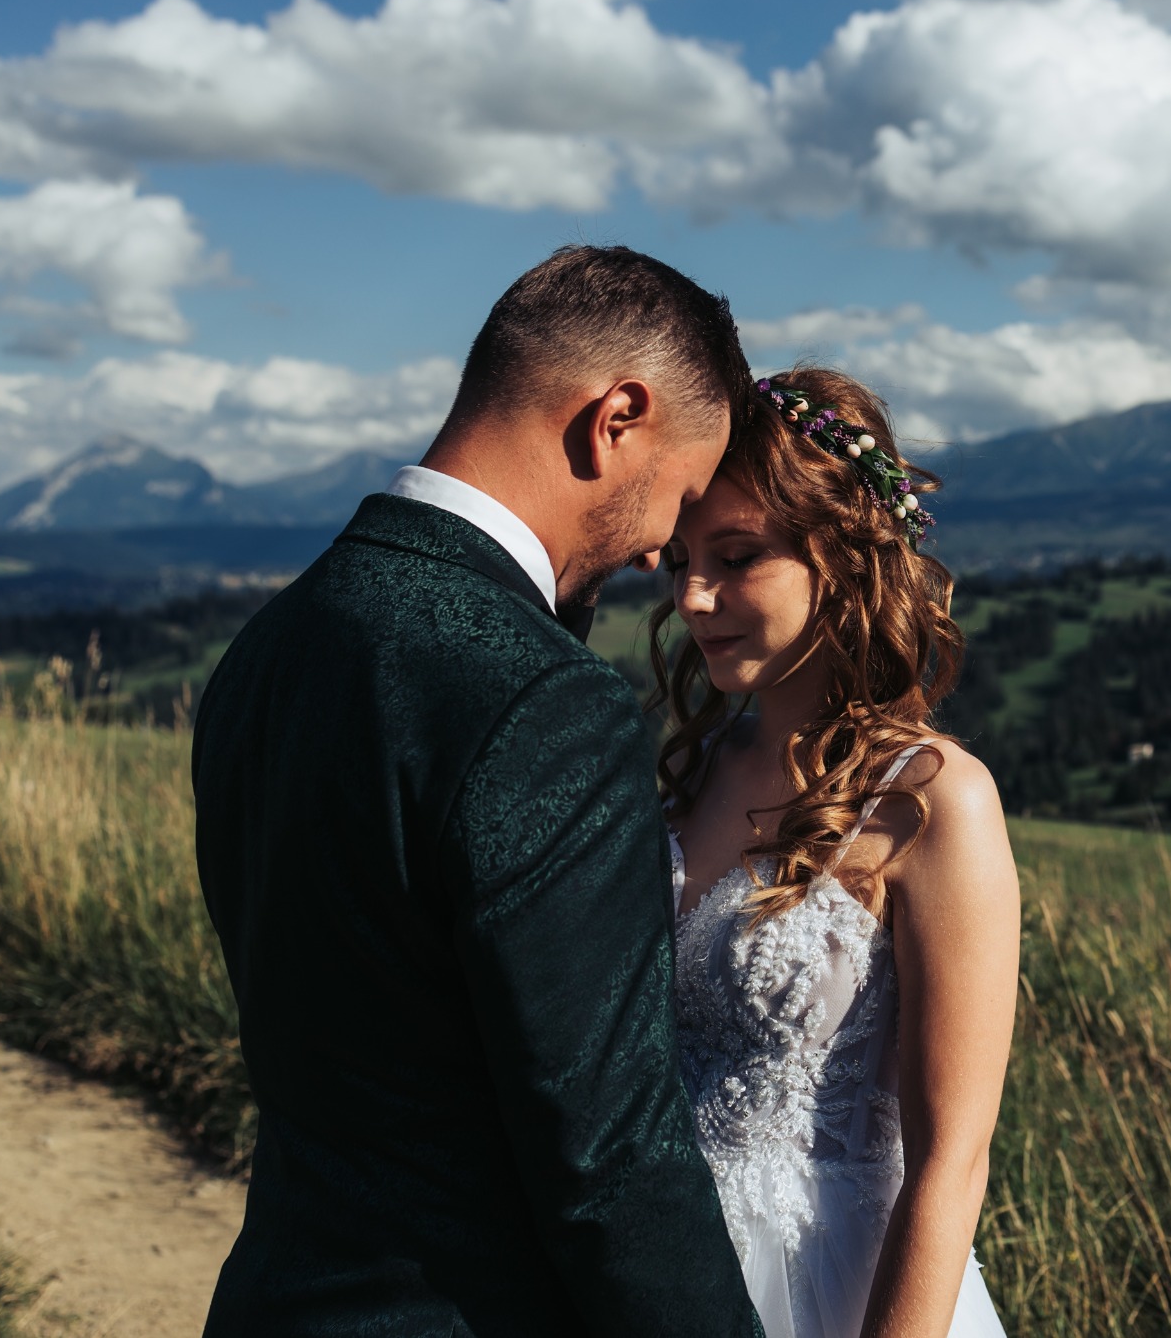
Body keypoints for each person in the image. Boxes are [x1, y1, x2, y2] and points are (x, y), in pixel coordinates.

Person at [193, 245, 763, 1337]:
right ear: (617, 418)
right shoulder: (544, 702)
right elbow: (607, 1156)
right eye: (680, 497)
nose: (658, 556)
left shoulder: (269, 646)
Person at [652, 367, 1020, 1338]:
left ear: (841, 553)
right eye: (680, 558)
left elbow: (953, 1156)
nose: (693, 596)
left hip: (831, 1286)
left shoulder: (933, 799)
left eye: (735, 555)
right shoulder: (676, 778)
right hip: (649, 1271)